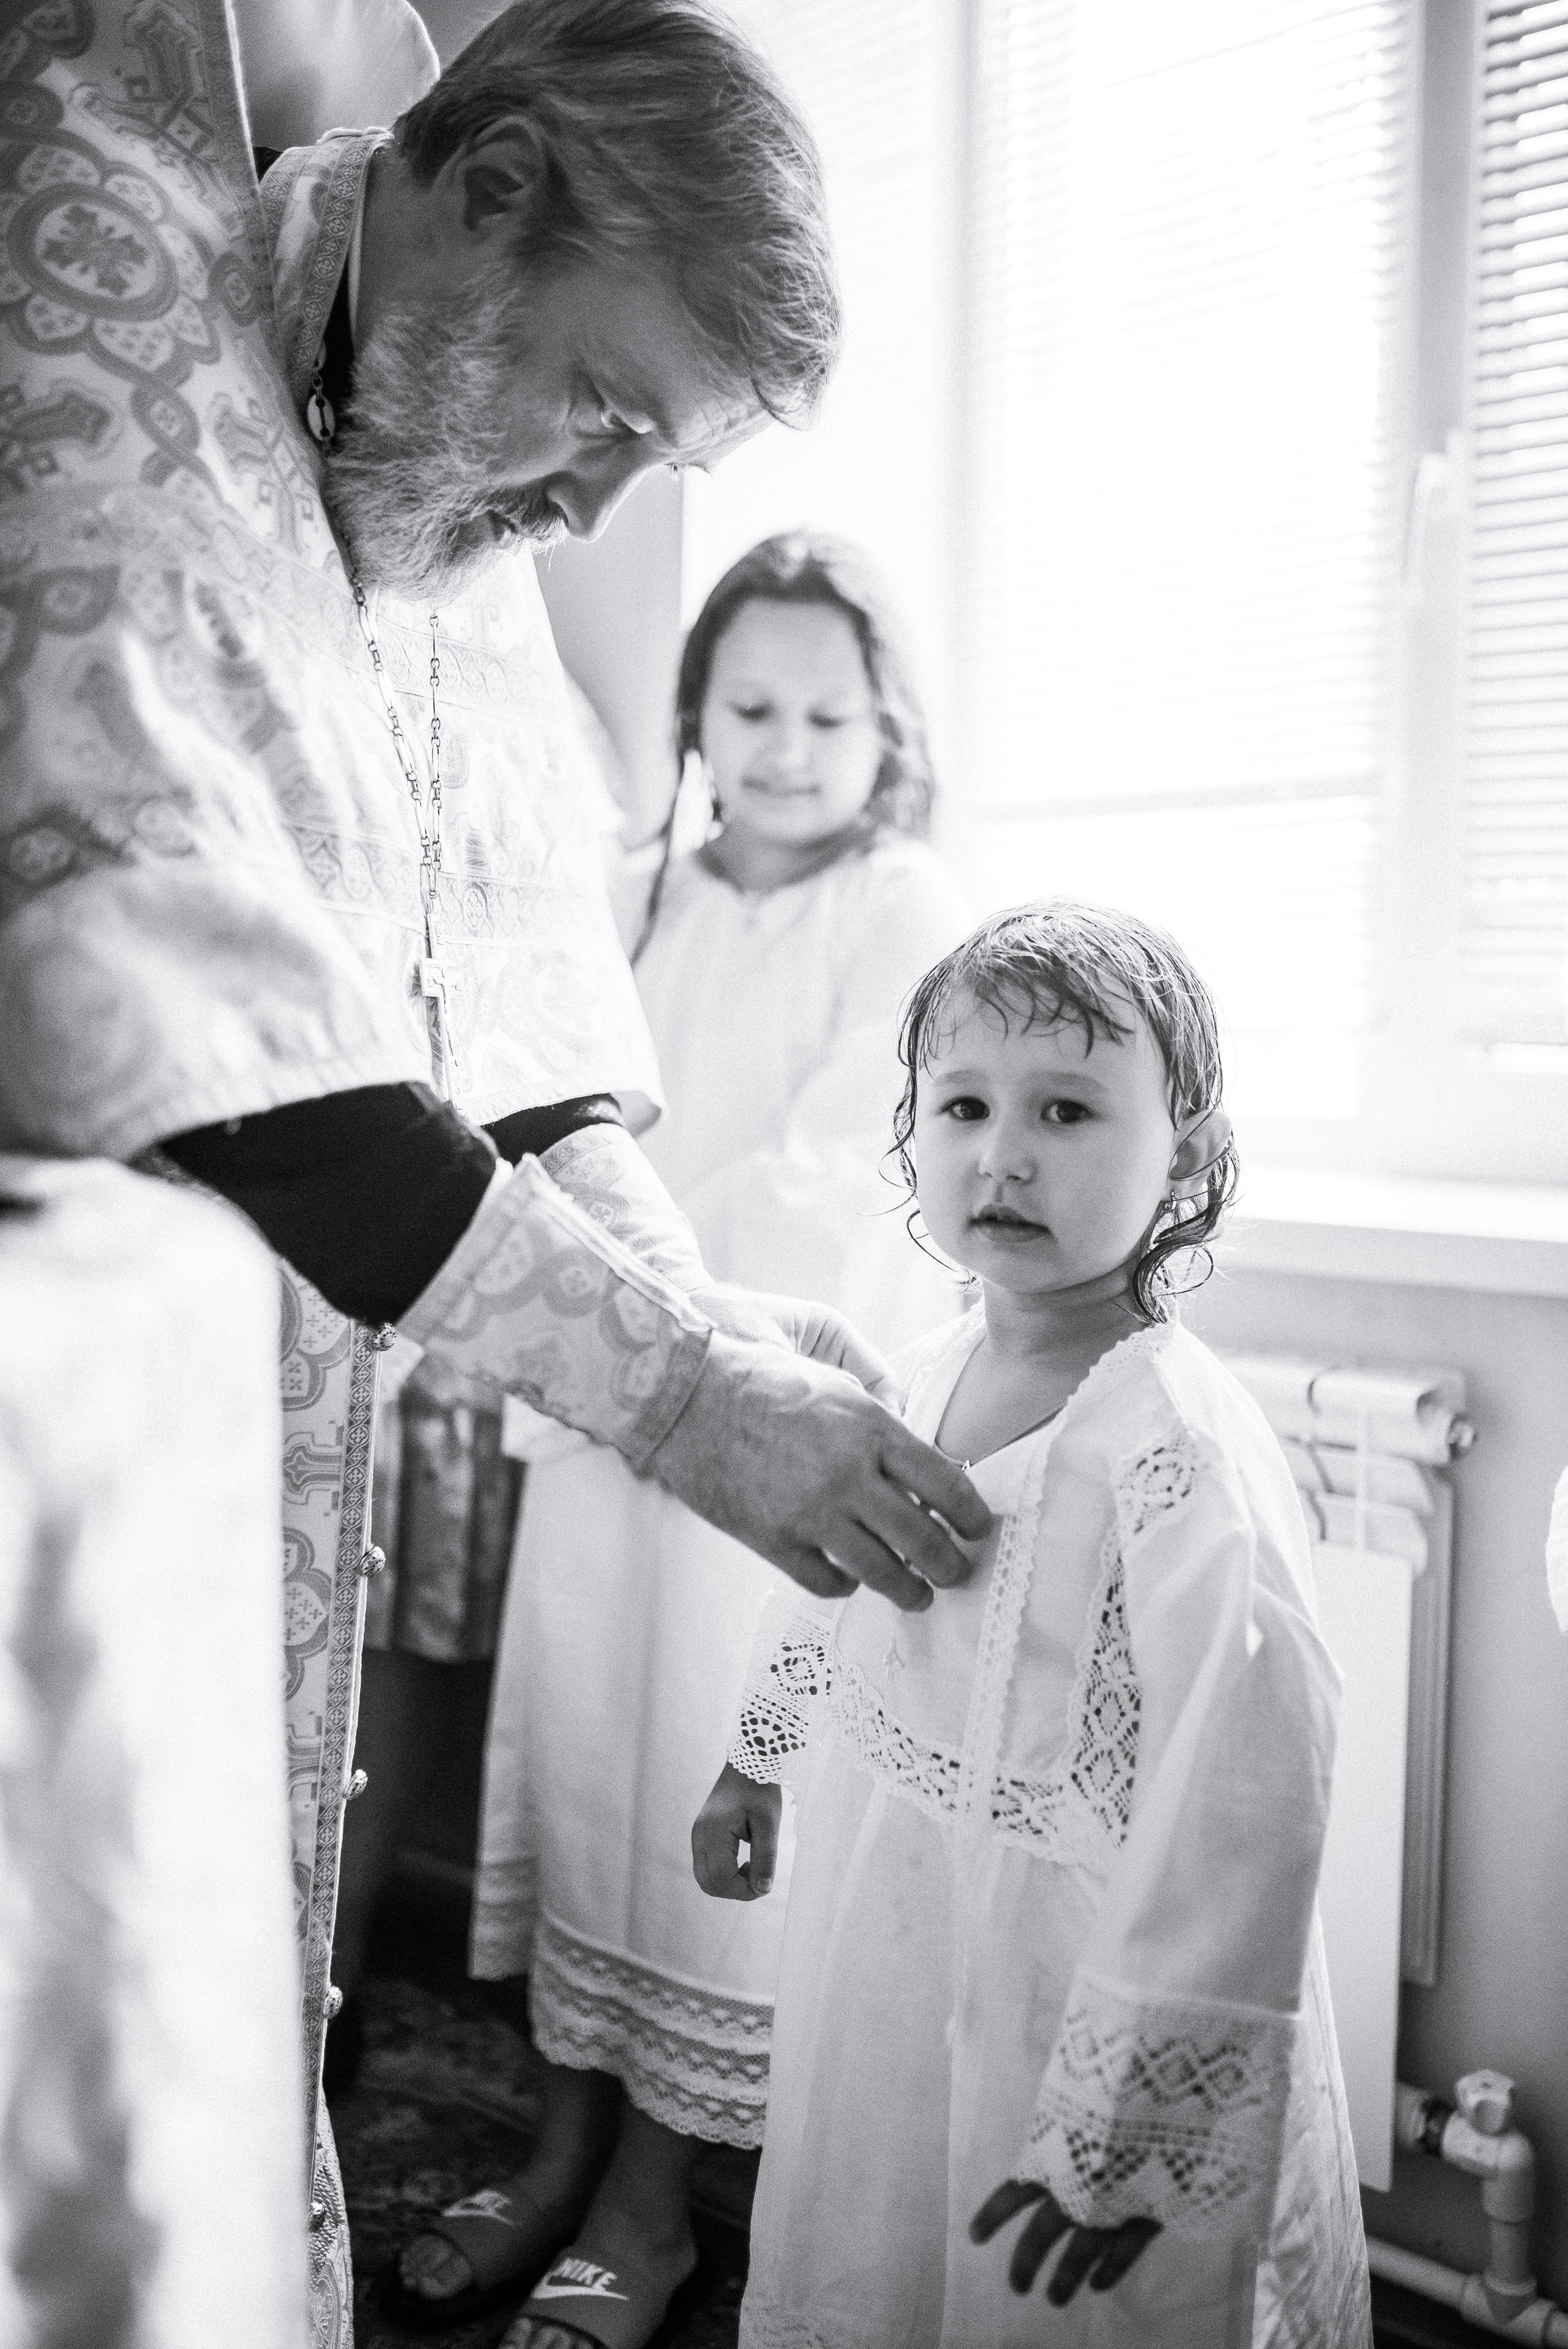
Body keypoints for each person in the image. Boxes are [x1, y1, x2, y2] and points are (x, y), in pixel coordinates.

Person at [0, 6, 988, 2338]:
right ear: (493, 185)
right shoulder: (118, 294)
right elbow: (197, 1014)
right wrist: (683, 1399)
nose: (594, 509)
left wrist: (720, 1322)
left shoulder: (441, 498)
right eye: (613, 413)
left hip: (259, 1450)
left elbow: (529, 1050)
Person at [391, 533, 971, 2337]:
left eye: (829, 709)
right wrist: (597, 1320)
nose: (789, 743)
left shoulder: (904, 903)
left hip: (761, 1400)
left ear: (889, 729)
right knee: (587, 1772)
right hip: (599, 1407)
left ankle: (650, 2197)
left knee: (719, 1788)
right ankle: (560, 2140)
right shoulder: (638, 892)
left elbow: (841, 1169)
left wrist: (661, 1316)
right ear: (700, 720)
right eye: (753, 706)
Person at [695, 902, 1373, 2348]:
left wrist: (1127, 2120)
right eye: (963, 1106)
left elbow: (1243, 1800)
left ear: (1179, 1153)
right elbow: (833, 1578)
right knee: (881, 2240)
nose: (1001, 1152)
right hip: (890, 1925)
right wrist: (757, 1754)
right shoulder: (919, 1368)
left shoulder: (1173, 1444)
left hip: (1078, 1974)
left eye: (1065, 1110)